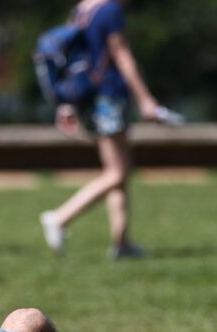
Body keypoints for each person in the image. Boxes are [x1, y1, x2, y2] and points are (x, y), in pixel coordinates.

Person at [40, 0, 167, 259]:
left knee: (118, 170)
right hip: (108, 97)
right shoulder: (110, 10)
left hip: (88, 99)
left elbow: (68, 61)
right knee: (117, 174)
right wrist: (145, 99)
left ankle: (122, 243)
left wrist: (66, 104)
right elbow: (121, 54)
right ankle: (60, 218)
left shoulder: (81, 9)